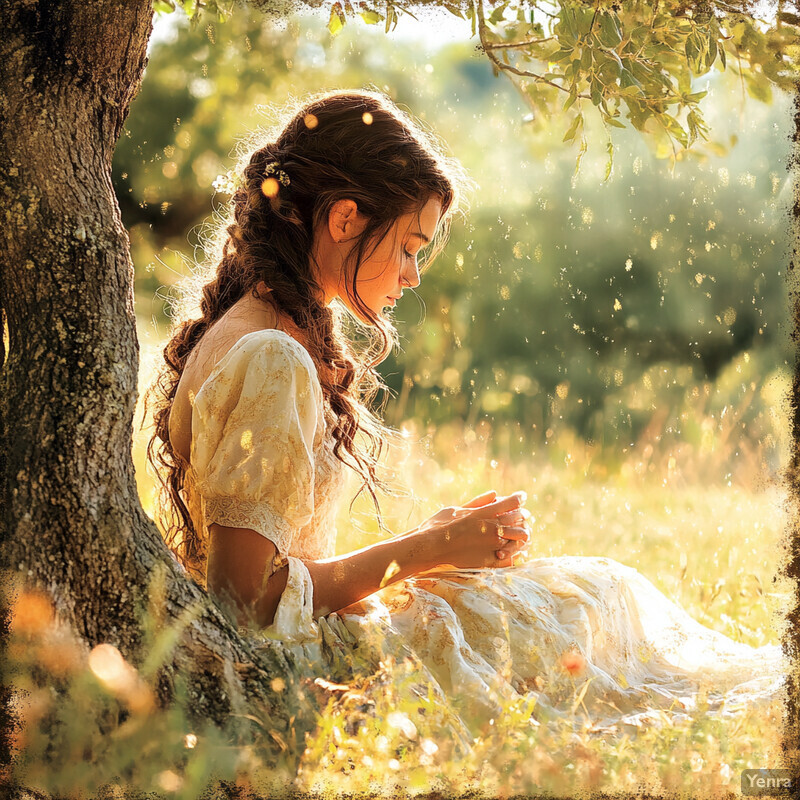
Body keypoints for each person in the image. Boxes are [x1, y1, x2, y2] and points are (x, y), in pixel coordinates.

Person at [147, 89, 784, 742]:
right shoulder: (272, 356)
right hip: (310, 672)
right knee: (594, 609)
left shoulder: (256, 333)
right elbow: (245, 600)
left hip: (313, 646)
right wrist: (429, 549)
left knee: (597, 597)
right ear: (343, 219)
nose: (414, 274)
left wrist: (438, 541)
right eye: (408, 247)